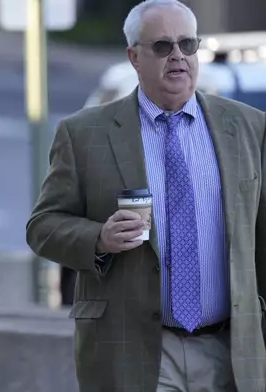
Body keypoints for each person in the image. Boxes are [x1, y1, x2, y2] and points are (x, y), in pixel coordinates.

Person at [26, 0, 266, 390]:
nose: (177, 57)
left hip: (231, 349)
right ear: (133, 56)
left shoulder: (248, 128)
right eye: (162, 46)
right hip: (137, 350)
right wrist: (99, 238)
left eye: (187, 45)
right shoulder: (85, 134)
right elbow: (43, 227)